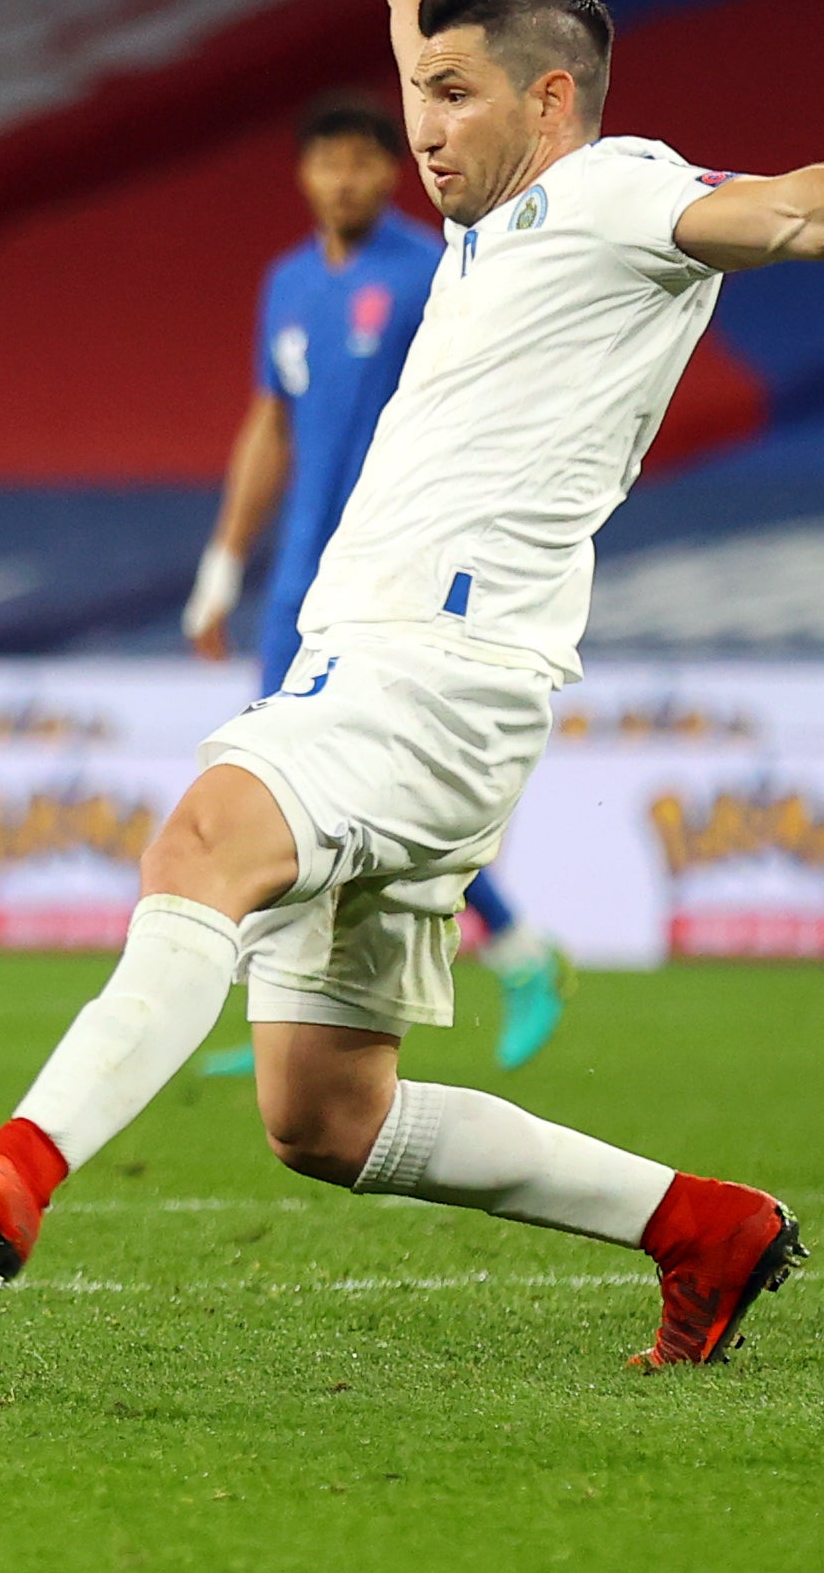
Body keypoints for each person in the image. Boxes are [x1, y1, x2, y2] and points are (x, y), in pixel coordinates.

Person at [0, 0, 824, 1368]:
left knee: (203, 841)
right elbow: (459, 88)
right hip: (428, 675)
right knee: (321, 1110)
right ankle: (704, 1224)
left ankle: (24, 1161)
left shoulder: (616, 187)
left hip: (425, 670)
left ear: (551, 102)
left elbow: (789, 210)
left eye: (450, 93)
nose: (419, 124)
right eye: (412, 89)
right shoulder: (502, 221)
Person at [184, 91, 572, 1072]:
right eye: (328, 163)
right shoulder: (286, 282)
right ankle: (293, 1014)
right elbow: (270, 423)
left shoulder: (434, 270)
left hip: (398, 565)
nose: (345, 178)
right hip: (300, 577)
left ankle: (520, 950)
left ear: (389, 170)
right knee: (292, 778)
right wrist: (224, 562)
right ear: (305, 175)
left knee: (388, 779)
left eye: (363, 161)